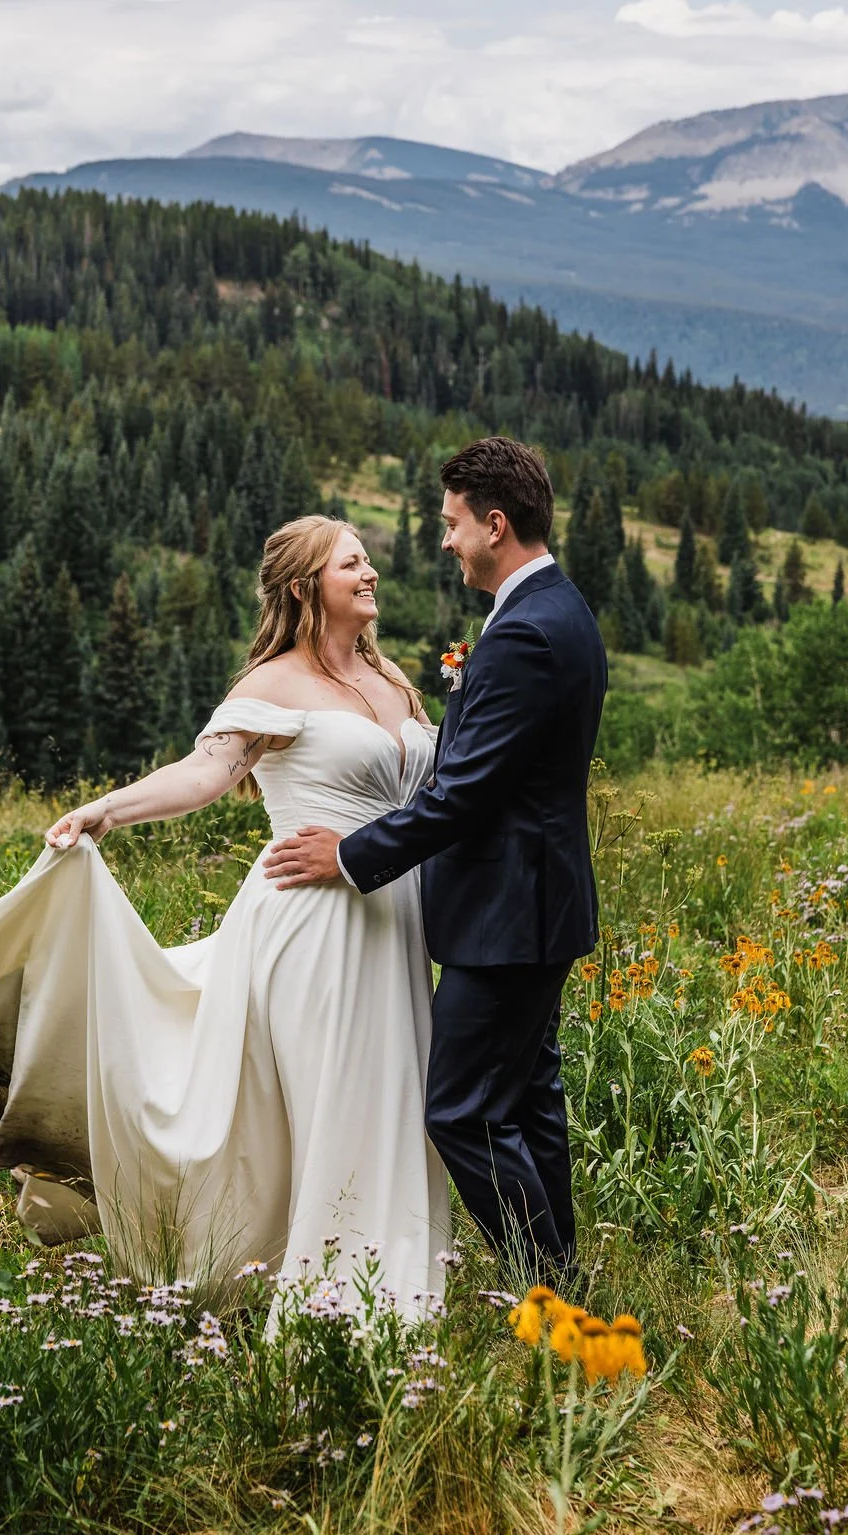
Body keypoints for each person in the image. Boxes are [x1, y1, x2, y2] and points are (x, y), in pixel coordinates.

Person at [0, 516, 450, 1317]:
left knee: (395, 1091)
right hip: (311, 923)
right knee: (337, 1096)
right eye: (352, 563)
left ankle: (391, 1276)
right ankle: (328, 1298)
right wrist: (107, 811)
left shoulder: (395, 683)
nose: (371, 573)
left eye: (368, 560)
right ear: (305, 586)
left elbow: (437, 795)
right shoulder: (272, 683)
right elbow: (202, 774)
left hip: (393, 923)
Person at [263, 437, 608, 1284]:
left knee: (460, 1111)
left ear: (496, 524)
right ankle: (566, 1288)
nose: (445, 540)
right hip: (533, 907)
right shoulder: (551, 609)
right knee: (528, 1101)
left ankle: (555, 1291)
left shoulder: (526, 632)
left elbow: (462, 799)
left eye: (453, 524)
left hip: (509, 916)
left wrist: (348, 852)